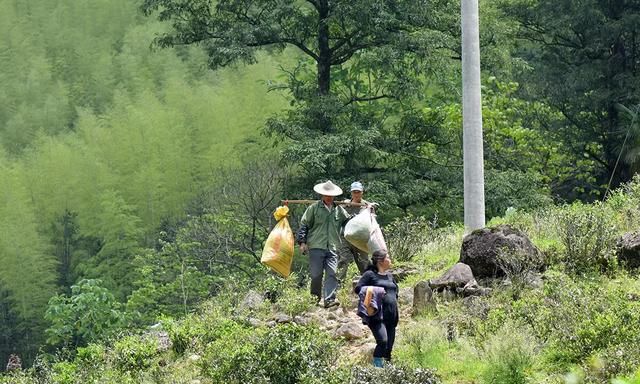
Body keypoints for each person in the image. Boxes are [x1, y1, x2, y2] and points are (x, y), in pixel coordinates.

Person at [297, 180, 350, 308]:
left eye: (331, 195)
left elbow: (348, 222)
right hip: (316, 246)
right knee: (316, 275)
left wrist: (366, 210)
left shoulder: (339, 210)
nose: (329, 197)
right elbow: (304, 225)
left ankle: (329, 299)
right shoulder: (314, 208)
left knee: (332, 272)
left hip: (333, 246)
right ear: (322, 195)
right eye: (327, 195)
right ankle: (315, 299)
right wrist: (302, 242)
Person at [354, 250, 399, 368]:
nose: (390, 260)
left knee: (389, 347)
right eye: (388, 257)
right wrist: (375, 291)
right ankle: (377, 370)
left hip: (391, 315)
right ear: (380, 260)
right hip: (377, 316)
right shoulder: (370, 275)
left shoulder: (390, 276)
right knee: (383, 341)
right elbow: (359, 288)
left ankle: (388, 372)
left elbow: (395, 292)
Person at [337, 181, 370, 285]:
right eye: (354, 192)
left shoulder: (366, 206)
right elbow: (337, 218)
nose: (356, 194)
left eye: (358, 192)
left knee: (363, 262)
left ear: (362, 193)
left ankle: (368, 284)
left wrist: (370, 209)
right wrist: (342, 206)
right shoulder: (345, 204)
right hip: (345, 238)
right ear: (351, 193)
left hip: (360, 239)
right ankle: (338, 286)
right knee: (343, 260)